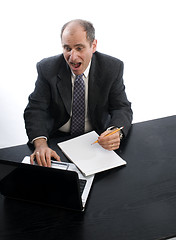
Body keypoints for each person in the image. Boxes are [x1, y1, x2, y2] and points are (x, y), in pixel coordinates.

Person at [24, 19, 133, 167]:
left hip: (96, 139)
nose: (72, 57)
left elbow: (121, 107)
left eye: (79, 48)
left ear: (93, 46)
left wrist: (114, 132)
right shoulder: (47, 68)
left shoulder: (112, 67)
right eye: (67, 48)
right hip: (57, 140)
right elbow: (35, 110)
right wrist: (40, 144)